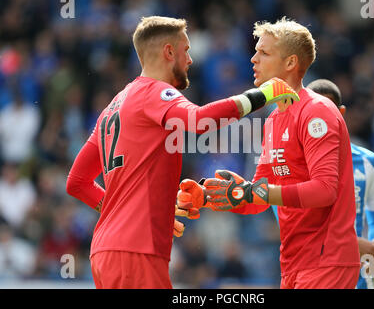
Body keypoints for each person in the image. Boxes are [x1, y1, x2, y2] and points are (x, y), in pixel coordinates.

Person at [65, 16, 297, 289]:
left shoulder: (113, 107)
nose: (190, 60)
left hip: (106, 250)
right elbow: (199, 122)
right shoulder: (154, 92)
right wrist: (261, 95)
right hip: (135, 251)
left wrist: (134, 213)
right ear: (169, 52)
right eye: (186, 51)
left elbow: (77, 182)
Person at [177, 18, 361, 289]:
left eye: (263, 53)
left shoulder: (316, 111)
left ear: (290, 63)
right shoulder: (274, 118)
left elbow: (324, 190)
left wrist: (256, 191)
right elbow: (260, 198)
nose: (253, 59)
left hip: (327, 260)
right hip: (293, 264)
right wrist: (208, 197)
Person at [304, 79, 374, 289]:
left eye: (327, 111)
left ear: (340, 113)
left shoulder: (367, 162)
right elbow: (293, 231)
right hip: (311, 277)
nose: (321, 121)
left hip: (358, 279)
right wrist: (356, 245)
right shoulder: (291, 165)